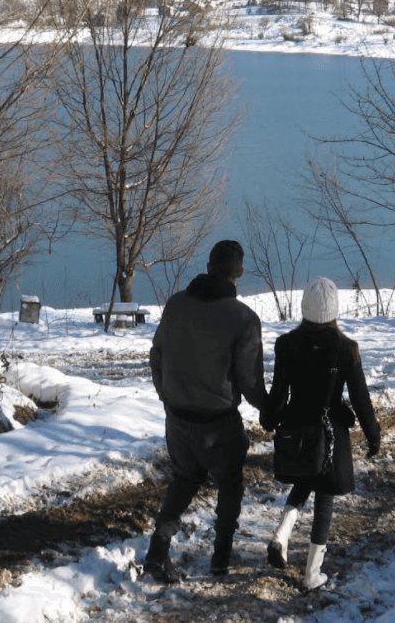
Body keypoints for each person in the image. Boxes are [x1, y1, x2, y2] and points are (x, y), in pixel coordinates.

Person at [143, 240, 267, 583]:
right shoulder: (244, 319)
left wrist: (167, 396)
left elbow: (157, 356)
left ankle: (157, 551)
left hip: (177, 418)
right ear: (237, 274)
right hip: (218, 424)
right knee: (229, 483)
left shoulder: (176, 305)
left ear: (209, 266)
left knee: (184, 478)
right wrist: (270, 410)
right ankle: (221, 558)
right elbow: (250, 381)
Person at [260, 277, 381, 590]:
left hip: (297, 428)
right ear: (334, 310)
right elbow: (360, 397)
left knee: (304, 478)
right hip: (330, 432)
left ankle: (281, 535)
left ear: (304, 308)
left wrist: (270, 418)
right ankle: (313, 574)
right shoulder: (346, 349)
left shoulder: (286, 344)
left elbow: (278, 392)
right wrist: (372, 433)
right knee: (324, 500)